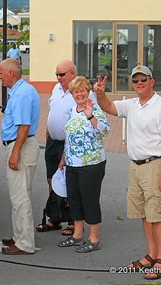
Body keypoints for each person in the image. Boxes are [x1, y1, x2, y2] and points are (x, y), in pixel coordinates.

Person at [94, 65, 161, 280]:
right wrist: (100, 93)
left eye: (143, 79)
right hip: (135, 167)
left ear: (152, 81)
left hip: (155, 165)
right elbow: (109, 107)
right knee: (144, 213)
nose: (139, 83)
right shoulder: (132, 105)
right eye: (135, 80)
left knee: (157, 214)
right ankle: (151, 254)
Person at [36, 59, 96, 236]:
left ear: (72, 73)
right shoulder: (56, 89)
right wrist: (48, 129)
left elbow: (90, 118)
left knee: (71, 183)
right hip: (52, 142)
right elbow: (53, 111)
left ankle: (73, 221)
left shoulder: (80, 92)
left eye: (61, 74)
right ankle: (54, 217)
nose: (58, 78)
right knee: (52, 180)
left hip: (70, 144)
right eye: (56, 74)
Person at [57, 76, 110, 252]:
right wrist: (64, 157)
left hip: (92, 164)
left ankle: (93, 239)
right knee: (75, 200)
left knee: (90, 200)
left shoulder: (94, 109)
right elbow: (69, 137)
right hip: (73, 162)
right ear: (72, 94)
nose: (79, 94)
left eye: (82, 90)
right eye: (76, 91)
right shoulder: (72, 111)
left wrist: (91, 116)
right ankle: (77, 235)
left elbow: (105, 131)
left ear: (88, 92)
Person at [0, 58, 40, 255]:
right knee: (19, 195)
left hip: (20, 146)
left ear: (11, 73)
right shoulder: (22, 90)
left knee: (20, 197)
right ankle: (19, 237)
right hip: (20, 145)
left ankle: (24, 243)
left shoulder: (22, 93)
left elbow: (24, 126)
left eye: (1, 73)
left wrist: (15, 153)